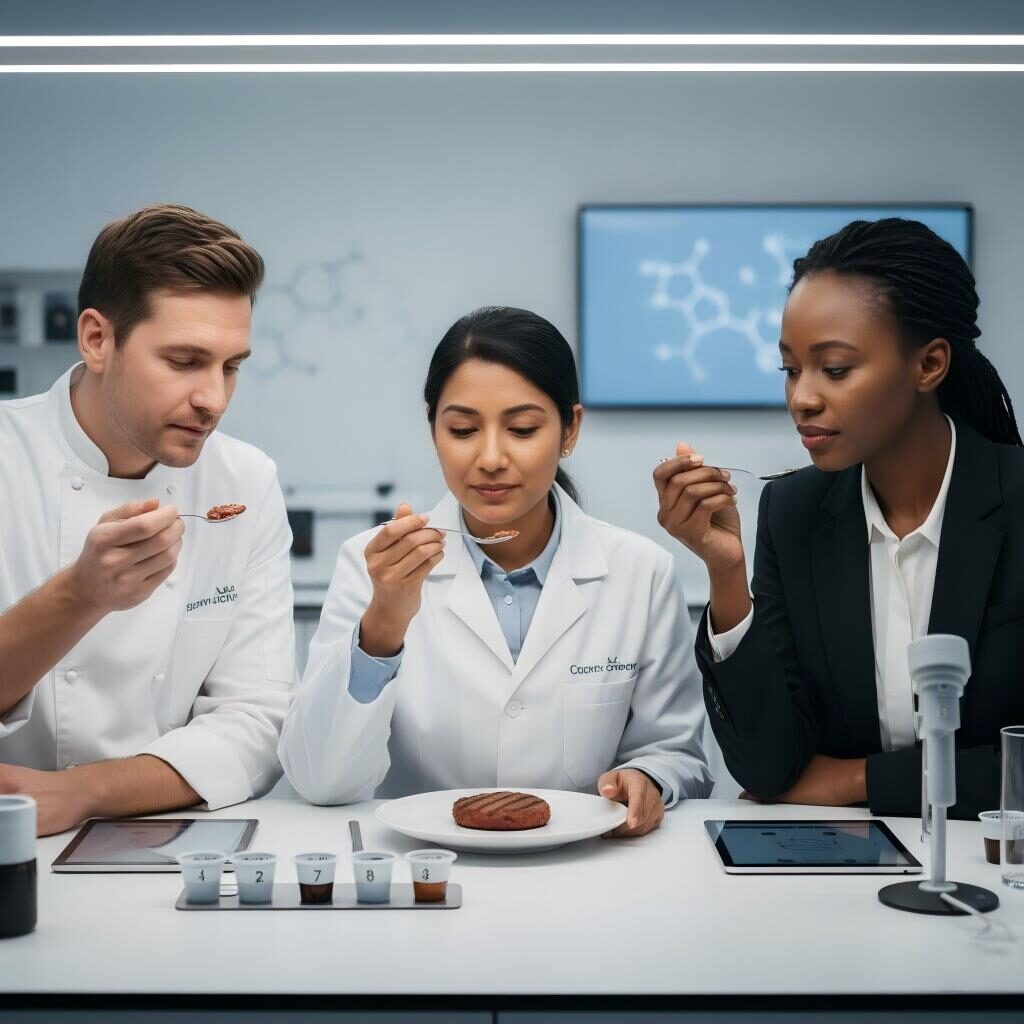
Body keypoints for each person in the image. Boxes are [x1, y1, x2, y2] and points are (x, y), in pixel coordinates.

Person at [280, 307, 711, 835]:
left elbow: (678, 754)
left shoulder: (640, 572)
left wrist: (648, 776)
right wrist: (385, 622)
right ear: (432, 427)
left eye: (522, 429)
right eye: (462, 429)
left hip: (586, 873)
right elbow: (321, 781)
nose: (489, 457)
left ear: (570, 428)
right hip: (425, 872)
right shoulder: (369, 564)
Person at [654, 217, 1024, 819]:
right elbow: (769, 770)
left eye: (835, 368)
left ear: (929, 364)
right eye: (791, 369)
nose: (802, 397)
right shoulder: (793, 512)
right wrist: (726, 575)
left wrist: (857, 780)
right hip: (844, 876)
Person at [0, 204, 296, 836]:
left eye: (232, 365)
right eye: (185, 361)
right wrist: (80, 596)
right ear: (97, 339)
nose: (213, 398)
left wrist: (84, 791)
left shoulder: (244, 483)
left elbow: (258, 720)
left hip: (167, 833)